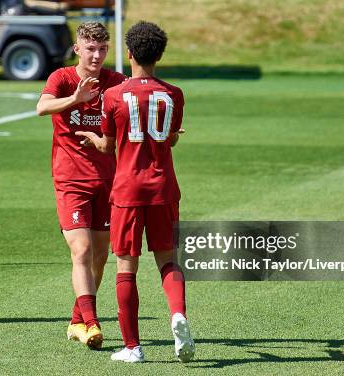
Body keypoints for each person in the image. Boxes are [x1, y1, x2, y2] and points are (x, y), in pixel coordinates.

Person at [75, 21, 195, 363]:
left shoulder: (113, 95)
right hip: (164, 187)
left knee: (126, 268)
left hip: (127, 190)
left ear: (128, 53)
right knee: (168, 260)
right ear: (160, 55)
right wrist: (170, 138)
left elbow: (109, 145)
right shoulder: (174, 94)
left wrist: (94, 140)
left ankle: (132, 347)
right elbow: (169, 137)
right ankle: (178, 314)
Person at [36, 22, 126, 349]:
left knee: (101, 256)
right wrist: (75, 98)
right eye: (90, 49)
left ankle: (77, 320)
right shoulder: (62, 78)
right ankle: (92, 322)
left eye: (102, 49)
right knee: (82, 250)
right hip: (70, 179)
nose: (97, 55)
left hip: (108, 180)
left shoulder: (115, 82)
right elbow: (41, 107)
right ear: (78, 49)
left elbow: (140, 98)